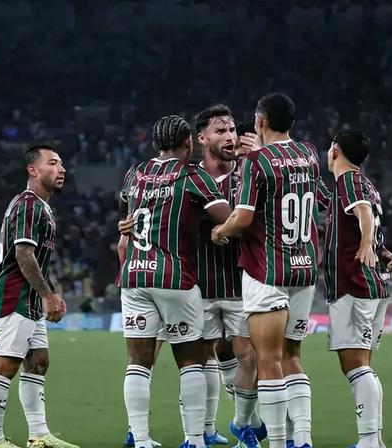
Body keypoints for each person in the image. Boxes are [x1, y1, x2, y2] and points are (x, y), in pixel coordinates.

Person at [213, 92, 319, 448]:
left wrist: (220, 231)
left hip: (267, 270)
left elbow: (242, 218)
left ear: (259, 122)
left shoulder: (256, 160)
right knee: (292, 357)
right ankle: (302, 438)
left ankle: (275, 442)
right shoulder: (309, 152)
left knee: (268, 359)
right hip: (304, 270)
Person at [119, 115, 232, 448]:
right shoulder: (193, 175)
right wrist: (215, 229)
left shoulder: (134, 174)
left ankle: (140, 439)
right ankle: (194, 440)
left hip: (135, 276)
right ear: (188, 143)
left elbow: (125, 225)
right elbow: (228, 220)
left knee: (137, 363)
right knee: (191, 361)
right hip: (174, 278)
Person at [0, 144, 78, 448]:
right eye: (52, 163)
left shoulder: (42, 207)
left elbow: (35, 258)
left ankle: (39, 434)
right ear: (32, 170)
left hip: (29, 296)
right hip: (12, 294)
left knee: (38, 360)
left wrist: (49, 292)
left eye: (62, 163)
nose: (61, 169)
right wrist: (48, 295)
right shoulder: (28, 204)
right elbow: (23, 254)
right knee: (6, 365)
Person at [193, 105, 265, 447]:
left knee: (249, 354)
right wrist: (125, 225)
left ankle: (244, 424)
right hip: (200, 283)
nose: (230, 136)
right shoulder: (189, 176)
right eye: (220, 131)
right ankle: (204, 430)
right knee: (214, 356)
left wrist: (260, 158)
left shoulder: (251, 172)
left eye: (233, 129)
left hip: (244, 281)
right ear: (202, 138)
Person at [323, 130, 392, 448]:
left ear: (336, 151)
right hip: (372, 283)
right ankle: (373, 439)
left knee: (353, 365)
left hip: (354, 284)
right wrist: (380, 249)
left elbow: (363, 214)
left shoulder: (349, 182)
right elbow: (364, 216)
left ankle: (368, 442)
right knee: (362, 365)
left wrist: (367, 245)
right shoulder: (366, 185)